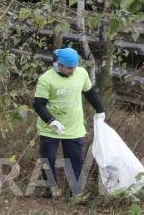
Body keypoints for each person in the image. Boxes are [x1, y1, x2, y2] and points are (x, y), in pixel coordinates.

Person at [32, 46, 105, 198]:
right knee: (48, 159)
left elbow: (90, 93)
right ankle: (51, 190)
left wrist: (100, 110)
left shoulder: (81, 73)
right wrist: (51, 121)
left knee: (75, 161)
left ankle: (75, 194)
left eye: (75, 67)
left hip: (74, 127)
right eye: (69, 68)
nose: (73, 71)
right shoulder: (46, 79)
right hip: (50, 128)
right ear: (59, 65)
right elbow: (38, 104)